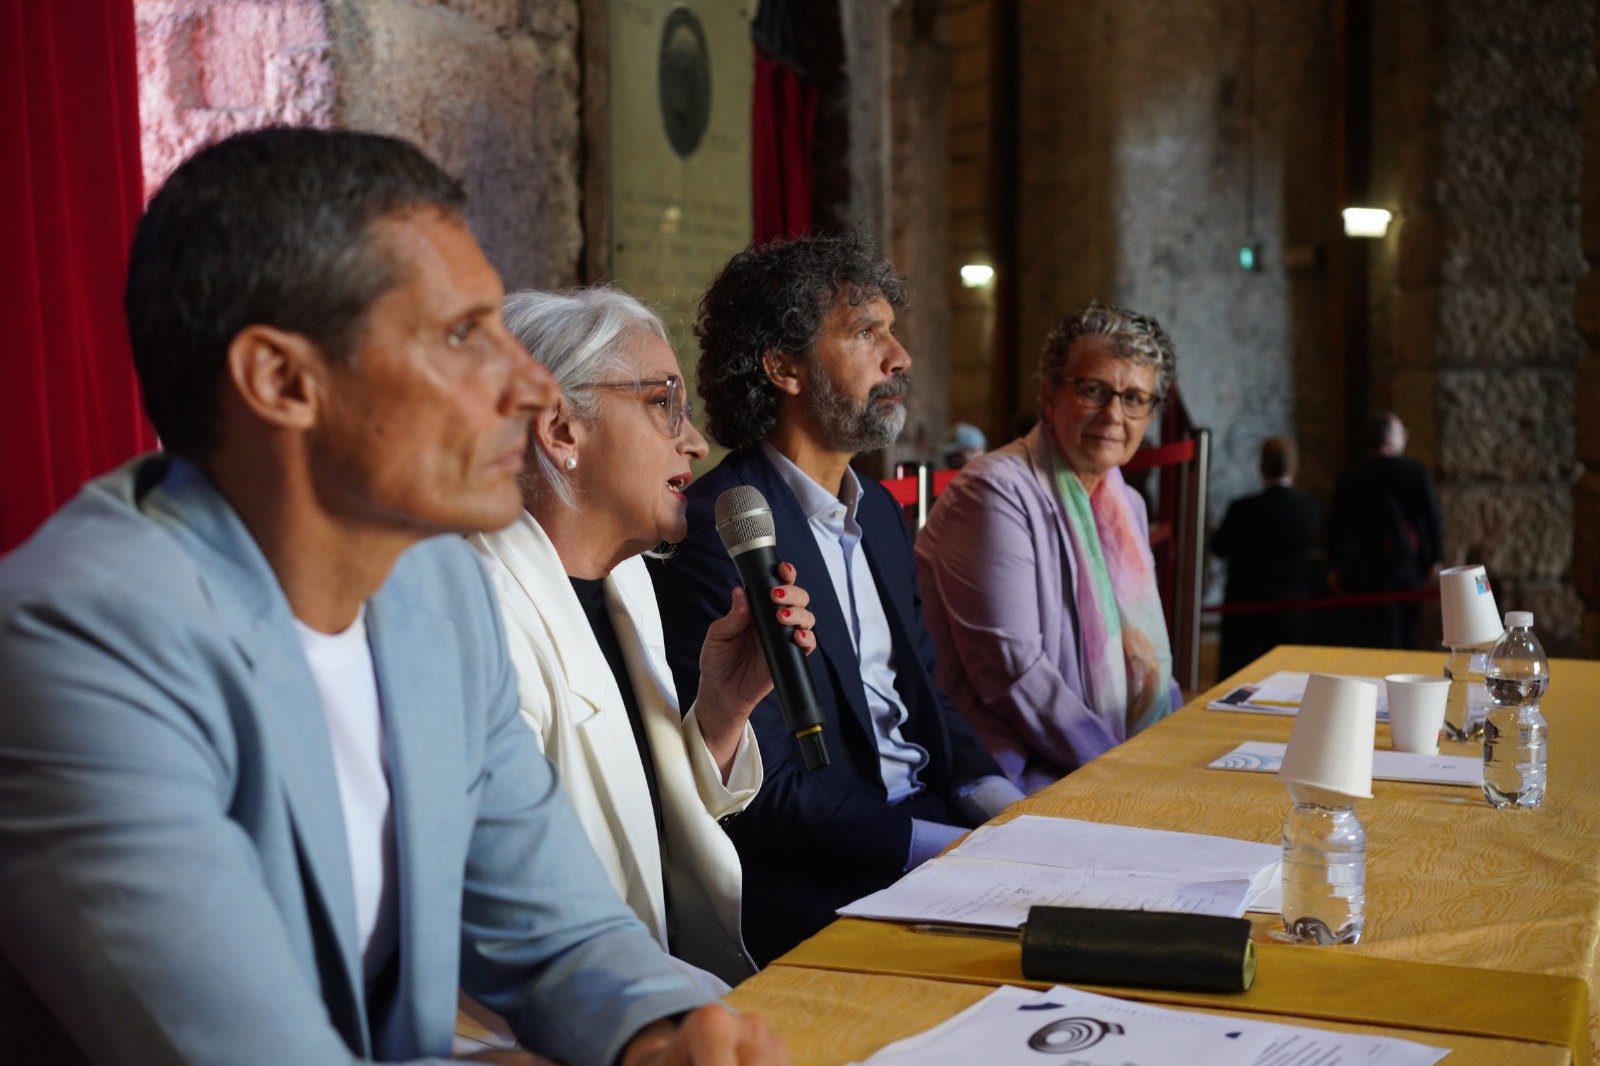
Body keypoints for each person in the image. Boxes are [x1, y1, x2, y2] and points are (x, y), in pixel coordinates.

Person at [0, 127, 784, 1065]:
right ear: (283, 381)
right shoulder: (78, 648)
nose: (529, 387)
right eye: (462, 335)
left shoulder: (435, 588)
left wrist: (657, 1034)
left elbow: (555, 935)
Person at [648, 232, 1021, 965]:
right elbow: (766, 791)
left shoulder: (878, 510)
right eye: (864, 333)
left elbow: (924, 695)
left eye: (892, 330)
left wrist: (1005, 809)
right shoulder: (719, 529)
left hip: (934, 827)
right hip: (831, 878)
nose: (900, 356)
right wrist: (952, 853)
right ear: (784, 366)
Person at [470, 288, 817, 990]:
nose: (695, 441)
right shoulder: (480, 618)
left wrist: (720, 714)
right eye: (664, 403)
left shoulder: (628, 583)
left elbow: (641, 820)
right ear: (561, 429)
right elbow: (526, 912)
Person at [915, 302, 1182, 796]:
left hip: (1097, 751)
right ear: (1048, 394)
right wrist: (1124, 770)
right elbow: (1013, 673)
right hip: (1005, 765)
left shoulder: (1128, 505)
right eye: (1093, 390)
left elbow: (1148, 658)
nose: (1113, 415)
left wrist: (1172, 749)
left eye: (1135, 398)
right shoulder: (994, 490)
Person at [1327, 412, 1444, 649]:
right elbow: (1432, 519)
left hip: (1364, 572)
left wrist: (1334, 565)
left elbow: (1336, 526)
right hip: (1407, 569)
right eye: (1402, 433)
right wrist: (1435, 558)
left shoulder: (1350, 477)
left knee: (1368, 640)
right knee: (1408, 638)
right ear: (1390, 439)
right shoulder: (1415, 472)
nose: (1405, 438)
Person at [1212, 436, 1320, 677]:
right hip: (1291, 610)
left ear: (1262, 468)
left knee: (1239, 682)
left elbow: (1219, 547)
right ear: (1294, 468)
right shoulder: (1309, 510)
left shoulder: (1242, 508)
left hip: (1245, 612)